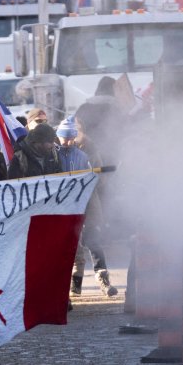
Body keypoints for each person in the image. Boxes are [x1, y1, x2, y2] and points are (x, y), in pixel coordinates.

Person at [57, 117, 118, 298]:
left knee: (93, 241)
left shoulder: (88, 152)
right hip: (65, 206)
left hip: (88, 204)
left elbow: (100, 179)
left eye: (77, 131)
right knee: (71, 245)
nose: (72, 138)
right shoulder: (55, 151)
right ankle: (74, 286)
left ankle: (104, 281)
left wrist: (89, 183)